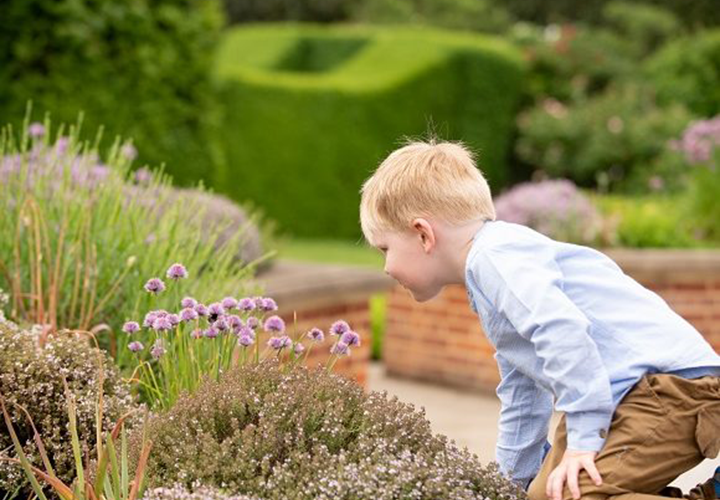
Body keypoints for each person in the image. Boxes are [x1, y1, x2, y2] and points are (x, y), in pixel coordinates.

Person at [359, 139, 720, 500]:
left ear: (423, 234)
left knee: (574, 496)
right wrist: (508, 485)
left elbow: (560, 329)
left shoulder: (495, 256)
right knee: (543, 495)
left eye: (385, 249)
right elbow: (523, 393)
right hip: (618, 395)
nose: (386, 267)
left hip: (668, 390)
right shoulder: (489, 277)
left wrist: (582, 439)